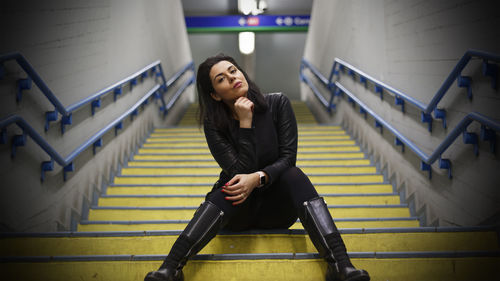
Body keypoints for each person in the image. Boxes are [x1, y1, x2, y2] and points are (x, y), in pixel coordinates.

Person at [144, 54, 370, 281]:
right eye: (221, 79)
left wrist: (259, 178)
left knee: (294, 175)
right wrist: (245, 123)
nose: (232, 78)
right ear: (214, 94)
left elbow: (288, 158)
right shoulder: (213, 124)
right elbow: (238, 171)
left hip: (277, 210)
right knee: (229, 184)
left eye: (233, 71)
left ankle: (340, 265)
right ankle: (171, 268)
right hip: (237, 212)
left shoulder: (278, 103)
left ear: (241, 73)